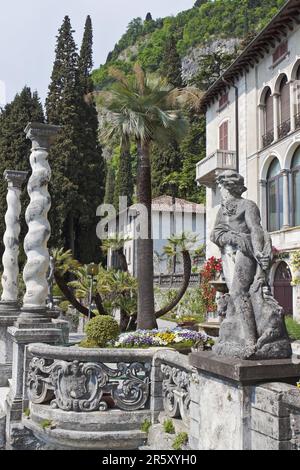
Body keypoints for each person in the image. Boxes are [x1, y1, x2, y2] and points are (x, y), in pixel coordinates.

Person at [211, 170, 291, 360]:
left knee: (239, 292)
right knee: (235, 294)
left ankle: (249, 340)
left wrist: (256, 250)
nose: (220, 190)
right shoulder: (222, 210)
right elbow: (215, 233)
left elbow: (256, 229)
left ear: (228, 187)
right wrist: (231, 237)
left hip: (246, 251)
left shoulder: (248, 205)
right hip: (229, 253)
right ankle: (240, 336)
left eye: (221, 187)